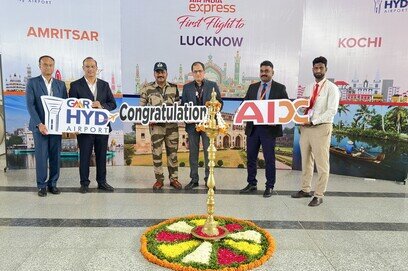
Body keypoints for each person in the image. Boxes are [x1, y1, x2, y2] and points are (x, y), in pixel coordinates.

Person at [291, 56, 340, 206]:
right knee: (306, 160)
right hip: (306, 128)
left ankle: (319, 194)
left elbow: (332, 111)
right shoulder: (309, 87)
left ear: (326, 69)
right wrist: (302, 122)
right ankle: (305, 189)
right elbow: (305, 106)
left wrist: (314, 121)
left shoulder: (332, 88)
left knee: (322, 162)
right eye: (315, 68)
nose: (318, 71)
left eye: (321, 68)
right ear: (312, 69)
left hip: (321, 127)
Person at [239, 60, 288, 198]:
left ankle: (270, 186)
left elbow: (285, 108)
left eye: (267, 71)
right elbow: (245, 104)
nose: (264, 73)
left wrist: (276, 120)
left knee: (269, 159)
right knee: (251, 158)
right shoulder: (253, 87)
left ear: (273, 72)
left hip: (269, 130)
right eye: (262, 71)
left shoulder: (280, 88)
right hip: (253, 129)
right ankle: (252, 183)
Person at [69, 57, 117, 193]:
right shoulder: (75, 85)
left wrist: (101, 105)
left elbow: (113, 104)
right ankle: (84, 183)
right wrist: (75, 127)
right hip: (84, 128)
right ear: (83, 68)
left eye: (92, 66)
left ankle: (102, 182)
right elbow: (71, 108)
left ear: (97, 68)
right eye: (87, 66)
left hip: (102, 127)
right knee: (85, 156)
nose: (90, 69)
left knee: (101, 156)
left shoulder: (104, 85)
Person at [26, 55, 68, 197]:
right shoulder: (32, 82)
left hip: (56, 127)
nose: (48, 67)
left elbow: (65, 105)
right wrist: (39, 124)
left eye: (51, 65)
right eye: (45, 65)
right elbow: (30, 105)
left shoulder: (60, 85)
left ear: (54, 67)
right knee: (42, 157)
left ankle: (53, 184)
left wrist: (64, 125)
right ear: (40, 66)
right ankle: (41, 186)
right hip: (40, 127)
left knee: (55, 157)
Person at [140, 62, 182, 190]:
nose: (160, 74)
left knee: (173, 154)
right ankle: (159, 180)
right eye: (157, 72)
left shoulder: (174, 88)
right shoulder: (146, 89)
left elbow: (179, 107)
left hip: (172, 127)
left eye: (162, 72)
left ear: (166, 73)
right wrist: (147, 118)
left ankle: (174, 179)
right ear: (154, 74)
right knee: (157, 154)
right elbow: (141, 109)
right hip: (156, 127)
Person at [182, 61, 223, 190]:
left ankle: (208, 179)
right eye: (195, 71)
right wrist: (187, 118)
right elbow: (183, 106)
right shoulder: (187, 88)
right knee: (193, 153)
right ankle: (194, 179)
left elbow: (220, 103)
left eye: (200, 71)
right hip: (192, 126)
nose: (198, 73)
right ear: (192, 73)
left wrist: (214, 109)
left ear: (204, 72)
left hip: (208, 126)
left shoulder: (212, 85)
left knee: (208, 153)